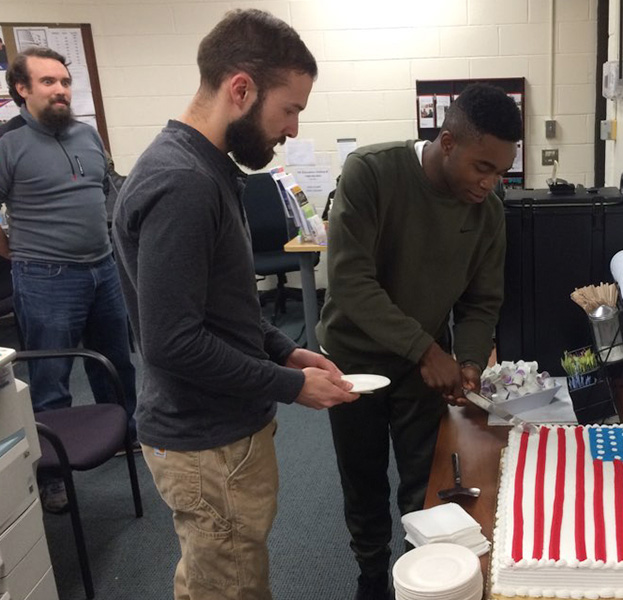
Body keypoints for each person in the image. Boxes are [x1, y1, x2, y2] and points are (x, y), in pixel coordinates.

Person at [111, 9, 358, 600]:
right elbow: (172, 342)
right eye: (289, 109)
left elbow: (221, 307)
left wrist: (285, 349)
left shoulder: (207, 167)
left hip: (218, 434)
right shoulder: (184, 181)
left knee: (214, 576)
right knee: (229, 585)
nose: (293, 129)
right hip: (206, 442)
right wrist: (289, 385)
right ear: (240, 89)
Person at [318, 83, 523, 600]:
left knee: (422, 483)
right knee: (363, 480)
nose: (490, 183)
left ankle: (419, 576)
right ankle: (371, 574)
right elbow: (350, 282)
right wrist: (428, 351)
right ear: (448, 142)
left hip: (420, 368)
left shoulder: (488, 212)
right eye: (482, 167)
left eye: (501, 171)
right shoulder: (372, 172)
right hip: (356, 363)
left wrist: (470, 361)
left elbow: (481, 302)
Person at [0, 46, 138, 513]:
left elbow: (107, 191)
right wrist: (16, 253)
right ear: (21, 89)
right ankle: (53, 473)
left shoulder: (86, 134)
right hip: (44, 277)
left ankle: (128, 437)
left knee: (116, 362)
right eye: (47, 82)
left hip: (103, 268)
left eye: (64, 81)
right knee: (51, 378)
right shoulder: (7, 142)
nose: (60, 90)